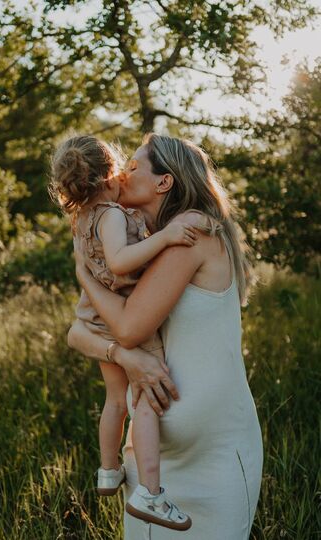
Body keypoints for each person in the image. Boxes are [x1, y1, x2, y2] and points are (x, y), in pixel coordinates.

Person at [68, 133, 263, 539]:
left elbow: (128, 328)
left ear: (164, 182)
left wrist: (85, 276)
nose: (122, 173)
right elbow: (77, 334)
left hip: (215, 458)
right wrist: (125, 358)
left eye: (134, 166)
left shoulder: (192, 232)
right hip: (153, 467)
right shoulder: (136, 244)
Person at [49, 135, 195, 530]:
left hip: (94, 316)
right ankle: (150, 490)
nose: (128, 177)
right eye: (125, 169)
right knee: (144, 397)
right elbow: (118, 263)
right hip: (122, 314)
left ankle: (109, 470)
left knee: (116, 399)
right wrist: (163, 238)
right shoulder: (112, 214)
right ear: (109, 173)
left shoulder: (81, 219)